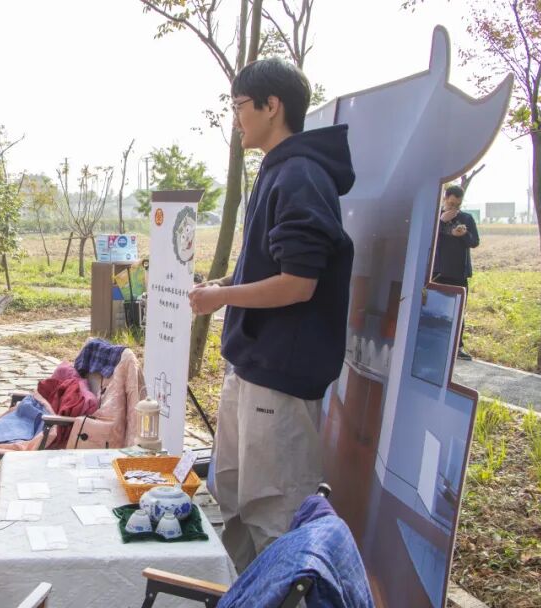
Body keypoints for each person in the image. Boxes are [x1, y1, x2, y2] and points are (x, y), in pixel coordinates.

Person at [188, 58, 355, 572]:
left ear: (271, 106)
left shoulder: (302, 175)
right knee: (236, 504)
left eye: (239, 106)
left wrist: (222, 299)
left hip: (280, 380)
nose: (235, 119)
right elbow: (274, 268)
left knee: (276, 521)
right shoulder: (281, 171)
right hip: (252, 370)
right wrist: (224, 286)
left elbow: (299, 284)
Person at [431, 184, 479, 360]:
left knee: (459, 312)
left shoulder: (467, 218)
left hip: (459, 273)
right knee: (435, 311)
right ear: (445, 199)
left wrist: (463, 234)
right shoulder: (436, 218)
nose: (454, 208)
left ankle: (457, 347)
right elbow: (429, 236)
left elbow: (474, 242)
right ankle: (434, 345)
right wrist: (442, 221)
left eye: (457, 205)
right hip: (438, 272)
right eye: (451, 204)